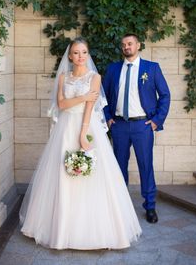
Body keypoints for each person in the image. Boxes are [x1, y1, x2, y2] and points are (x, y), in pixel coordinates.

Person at [19, 37, 141, 250]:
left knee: (93, 174)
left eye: (84, 52)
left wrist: (83, 134)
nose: (80, 56)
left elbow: (89, 107)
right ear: (70, 56)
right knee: (61, 174)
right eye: (76, 52)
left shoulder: (95, 77)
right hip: (65, 128)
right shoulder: (63, 77)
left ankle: (96, 230)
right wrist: (83, 96)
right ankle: (61, 230)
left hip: (86, 126)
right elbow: (61, 104)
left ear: (88, 53)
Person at [102, 33, 170, 224]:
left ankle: (150, 206)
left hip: (142, 125)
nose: (126, 47)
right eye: (123, 44)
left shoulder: (152, 68)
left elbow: (165, 95)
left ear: (138, 45)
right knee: (119, 167)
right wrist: (107, 118)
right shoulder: (114, 69)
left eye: (130, 44)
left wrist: (156, 120)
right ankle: (120, 206)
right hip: (119, 125)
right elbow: (103, 96)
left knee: (145, 165)